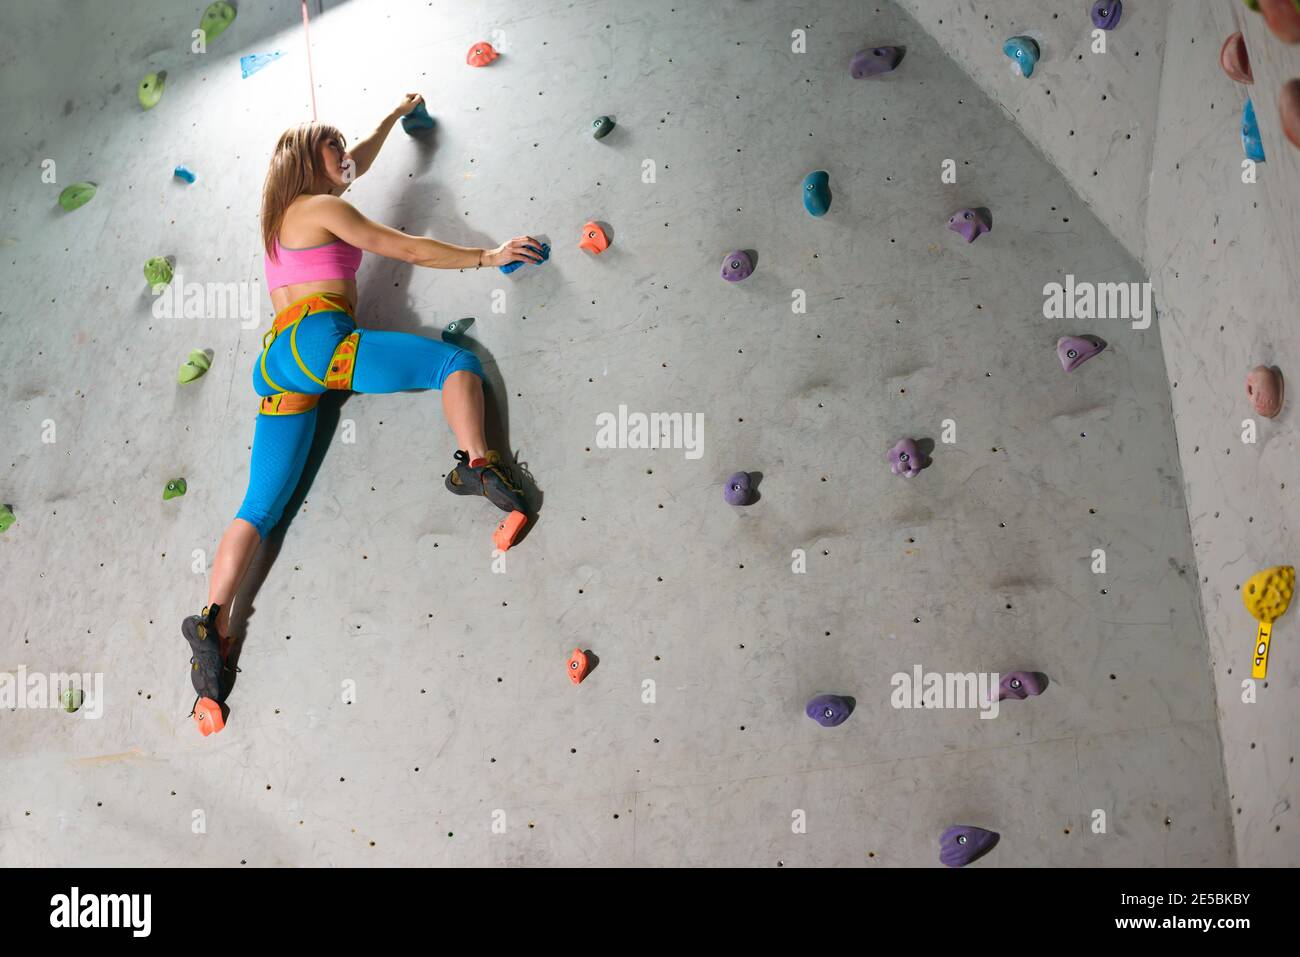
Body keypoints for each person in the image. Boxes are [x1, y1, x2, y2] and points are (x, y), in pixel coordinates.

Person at [182, 95, 542, 732]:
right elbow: (399, 246)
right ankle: (479, 466)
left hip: (276, 362)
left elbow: (356, 164)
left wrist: (391, 118)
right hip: (322, 343)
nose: (346, 156)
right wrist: (488, 257)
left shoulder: (281, 220)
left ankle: (213, 625)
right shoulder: (321, 205)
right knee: (453, 367)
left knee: (259, 508)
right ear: (308, 159)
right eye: (333, 146)